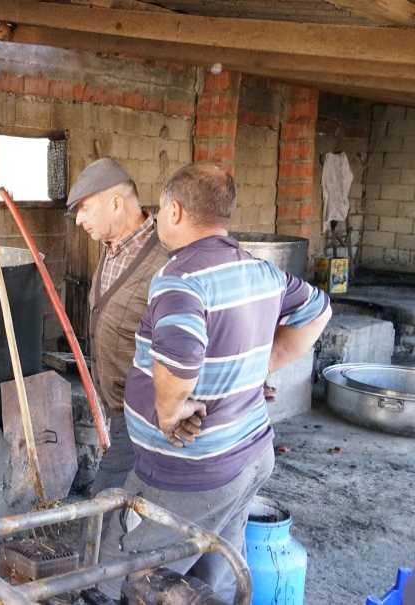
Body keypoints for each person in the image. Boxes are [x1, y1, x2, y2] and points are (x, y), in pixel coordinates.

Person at [98, 161, 332, 600]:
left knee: (128, 574)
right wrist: (264, 365)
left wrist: (170, 411)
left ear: (175, 211)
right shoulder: (261, 271)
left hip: (191, 471)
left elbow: (180, 358)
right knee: (217, 566)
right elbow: (319, 310)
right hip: (248, 454)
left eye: (161, 210)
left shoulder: (180, 280)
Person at [67, 158, 169, 494]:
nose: (79, 220)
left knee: (105, 504)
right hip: (118, 408)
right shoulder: (114, 247)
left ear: (115, 203)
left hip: (145, 415)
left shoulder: (167, 259)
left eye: (85, 208)